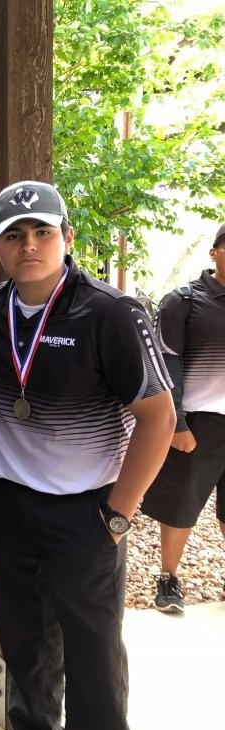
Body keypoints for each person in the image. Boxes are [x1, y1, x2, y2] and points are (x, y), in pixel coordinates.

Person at [0, 181, 176, 730]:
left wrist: (119, 513)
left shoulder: (111, 312)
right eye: (15, 235)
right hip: (6, 503)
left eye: (42, 231)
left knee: (93, 652)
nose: (29, 245)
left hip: (86, 511)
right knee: (24, 637)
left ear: (67, 237)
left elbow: (159, 417)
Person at [142, 223, 225, 613]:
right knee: (182, 504)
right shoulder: (185, 302)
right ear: (214, 252)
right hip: (198, 421)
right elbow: (164, 363)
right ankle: (168, 579)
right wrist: (177, 423)